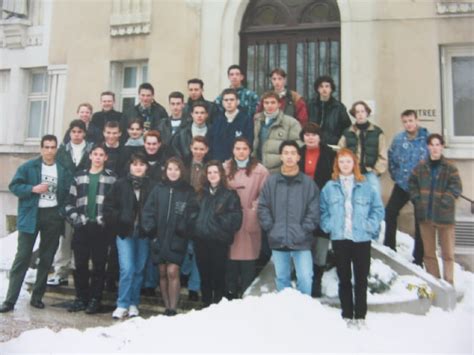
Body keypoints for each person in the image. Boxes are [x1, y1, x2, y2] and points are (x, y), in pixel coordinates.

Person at [0, 135, 71, 313]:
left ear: (56, 149)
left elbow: (68, 192)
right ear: (41, 149)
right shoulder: (28, 166)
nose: (49, 151)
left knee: (47, 258)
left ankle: (37, 297)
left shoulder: (62, 169)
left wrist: (61, 212)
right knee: (22, 257)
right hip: (31, 214)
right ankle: (10, 300)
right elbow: (14, 186)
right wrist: (32, 189)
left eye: (52, 147)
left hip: (53, 215)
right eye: (46, 147)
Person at [320, 148, 384, 328]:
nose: (345, 165)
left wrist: (369, 225)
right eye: (341, 162)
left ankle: (361, 315)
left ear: (354, 163)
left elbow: (378, 209)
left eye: (348, 161)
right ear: (337, 164)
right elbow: (323, 210)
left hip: (361, 239)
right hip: (341, 238)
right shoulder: (329, 186)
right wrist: (329, 225)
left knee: (361, 279)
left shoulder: (365, 186)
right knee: (344, 278)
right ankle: (347, 314)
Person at [258, 140, 319, 296]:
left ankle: (304, 311)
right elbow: (263, 206)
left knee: (305, 278)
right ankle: (286, 313)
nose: (289, 157)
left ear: (299, 157)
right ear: (281, 157)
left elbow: (314, 210)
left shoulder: (308, 183)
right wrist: (271, 228)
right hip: (278, 239)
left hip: (302, 240)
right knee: (282, 278)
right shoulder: (272, 182)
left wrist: (304, 229)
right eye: (286, 153)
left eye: (293, 153)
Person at [65, 144, 117, 314]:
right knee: (79, 264)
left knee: (99, 265)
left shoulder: (112, 178)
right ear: (90, 156)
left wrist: (106, 220)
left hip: (101, 228)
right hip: (82, 226)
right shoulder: (79, 177)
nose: (98, 157)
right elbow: (69, 204)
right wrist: (78, 220)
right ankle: (81, 298)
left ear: (105, 158)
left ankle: (95, 299)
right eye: (95, 154)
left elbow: (116, 205)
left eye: (101, 154)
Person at [142, 158, 198, 316]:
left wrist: (185, 227)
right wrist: (151, 230)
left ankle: (173, 308)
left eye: (176, 169)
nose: (173, 172)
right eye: (170, 169)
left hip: (177, 238)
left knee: (173, 271)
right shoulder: (158, 189)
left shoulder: (188, 191)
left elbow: (193, 213)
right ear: (165, 171)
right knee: (162, 272)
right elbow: (148, 211)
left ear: (182, 171)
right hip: (158, 238)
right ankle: (167, 306)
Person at [103, 152, 156, 319]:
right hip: (124, 233)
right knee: (127, 268)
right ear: (130, 166)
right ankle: (122, 303)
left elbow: (156, 210)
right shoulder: (120, 184)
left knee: (139, 269)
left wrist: (150, 227)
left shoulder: (153, 186)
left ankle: (134, 303)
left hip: (143, 234)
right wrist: (120, 219)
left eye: (141, 164)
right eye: (135, 164)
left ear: (147, 167)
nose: (138, 167)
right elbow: (108, 207)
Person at [409, 134, 462, 285]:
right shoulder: (420, 167)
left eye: (437, 144)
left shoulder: (450, 167)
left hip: (445, 216)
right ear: (428, 147)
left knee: (448, 253)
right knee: (429, 253)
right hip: (425, 216)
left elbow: (456, 187)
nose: (435, 148)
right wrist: (417, 200)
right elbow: (412, 184)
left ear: (442, 146)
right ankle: (435, 282)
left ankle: (449, 282)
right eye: (432, 145)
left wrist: (446, 200)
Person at [48, 120, 94, 287]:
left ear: (84, 133)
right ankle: (61, 271)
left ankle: (79, 270)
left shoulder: (91, 149)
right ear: (70, 132)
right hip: (67, 199)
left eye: (80, 131)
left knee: (82, 237)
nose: (76, 134)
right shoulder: (62, 151)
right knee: (65, 238)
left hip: (85, 197)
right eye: (74, 131)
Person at [224, 138, 269, 299]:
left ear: (250, 150)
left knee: (248, 261)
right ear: (233, 150)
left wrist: (252, 210)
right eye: (237, 148)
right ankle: (230, 293)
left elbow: (265, 195)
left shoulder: (260, 170)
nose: (241, 152)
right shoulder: (225, 167)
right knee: (230, 261)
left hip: (249, 219)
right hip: (230, 220)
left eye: (244, 148)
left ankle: (246, 295)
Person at [193, 161, 243, 307]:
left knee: (219, 274)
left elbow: (236, 219)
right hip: (201, 241)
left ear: (221, 174)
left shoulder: (230, 195)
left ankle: (218, 305)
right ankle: (206, 303)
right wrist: (197, 226)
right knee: (204, 275)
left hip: (218, 242)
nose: (212, 175)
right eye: (209, 172)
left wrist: (215, 223)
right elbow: (191, 214)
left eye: (215, 172)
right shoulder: (199, 194)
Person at [385, 110, 429, 265]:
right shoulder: (398, 140)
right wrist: (396, 176)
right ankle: (389, 248)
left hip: (421, 187)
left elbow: (434, 160)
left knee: (419, 220)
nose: (408, 124)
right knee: (390, 212)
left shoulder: (427, 139)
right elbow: (391, 159)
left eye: (411, 120)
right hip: (402, 184)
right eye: (405, 121)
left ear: (416, 120)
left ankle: (419, 258)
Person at [298, 122, 336, 297]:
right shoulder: (298, 153)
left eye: (313, 134)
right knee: (304, 238)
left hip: (323, 202)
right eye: (307, 134)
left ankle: (317, 280)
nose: (310, 137)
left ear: (319, 137)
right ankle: (303, 275)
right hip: (302, 203)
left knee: (321, 241)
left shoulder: (329, 154)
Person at [180, 136, 210, 301]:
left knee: (197, 249)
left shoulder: (209, 167)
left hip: (201, 211)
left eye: (201, 149)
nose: (198, 152)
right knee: (186, 248)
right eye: (195, 148)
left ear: (206, 150)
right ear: (191, 148)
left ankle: (194, 286)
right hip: (183, 209)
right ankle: (184, 271)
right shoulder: (183, 164)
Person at [338, 100, 388, 193]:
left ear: (367, 113)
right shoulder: (347, 132)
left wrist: (376, 171)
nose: (360, 114)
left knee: (375, 200)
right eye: (357, 112)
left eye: (362, 111)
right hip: (352, 173)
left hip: (370, 173)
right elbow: (340, 152)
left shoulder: (377, 132)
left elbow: (383, 155)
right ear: (354, 114)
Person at [253, 91, 302, 173]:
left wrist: (284, 161)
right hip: (258, 169)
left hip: (280, 170)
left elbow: (298, 146)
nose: (269, 105)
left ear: (279, 104)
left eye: (273, 102)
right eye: (266, 103)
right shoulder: (257, 121)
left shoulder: (291, 123)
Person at [210, 88, 254, 162]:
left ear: (238, 102)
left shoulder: (246, 120)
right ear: (222, 103)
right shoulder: (217, 121)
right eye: (226, 100)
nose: (229, 102)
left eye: (232, 100)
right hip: (219, 162)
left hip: (238, 163)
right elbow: (211, 142)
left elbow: (249, 142)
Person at [308, 76, 351, 146]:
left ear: (331, 89)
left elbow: (347, 127)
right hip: (313, 143)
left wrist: (342, 138)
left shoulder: (339, 107)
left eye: (327, 86)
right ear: (317, 89)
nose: (324, 89)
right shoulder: (311, 105)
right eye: (321, 86)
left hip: (332, 144)